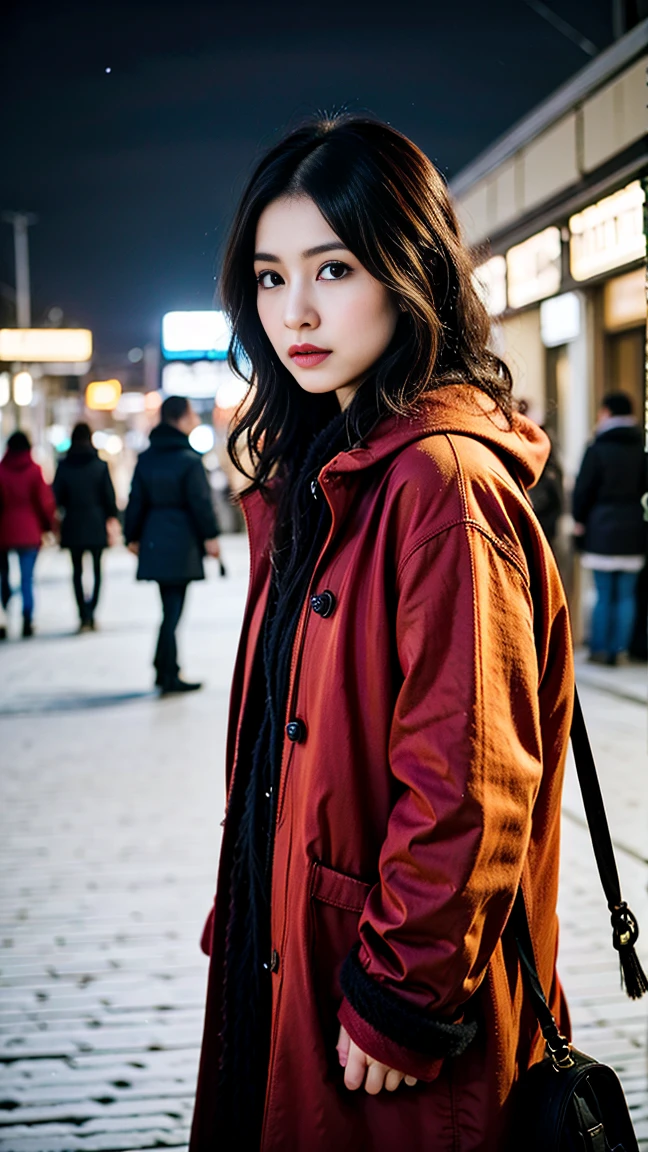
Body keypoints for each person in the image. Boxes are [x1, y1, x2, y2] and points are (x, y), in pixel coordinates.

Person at [190, 116, 573, 1152]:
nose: (295, 311)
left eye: (335, 267)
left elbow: (472, 774)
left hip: (382, 1009)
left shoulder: (436, 487)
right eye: (270, 277)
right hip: (296, 965)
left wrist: (404, 994)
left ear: (411, 272)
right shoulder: (327, 474)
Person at [124, 396, 221, 694]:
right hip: (181, 540)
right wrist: (211, 536)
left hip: (154, 536)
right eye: (191, 413)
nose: (194, 419)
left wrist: (132, 536)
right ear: (180, 418)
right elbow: (201, 503)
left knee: (168, 607)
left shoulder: (147, 458)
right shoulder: (190, 460)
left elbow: (135, 500)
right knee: (173, 610)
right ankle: (167, 673)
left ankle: (165, 668)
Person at [573, 391, 647, 666]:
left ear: (606, 412)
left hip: (601, 527)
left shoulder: (596, 448)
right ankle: (620, 650)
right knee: (626, 594)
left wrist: (579, 521)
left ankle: (600, 649)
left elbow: (583, 491)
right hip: (632, 526)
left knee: (604, 592)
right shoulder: (639, 449)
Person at [53, 422, 120, 632]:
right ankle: (92, 613)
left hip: (73, 522)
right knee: (98, 570)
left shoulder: (64, 465)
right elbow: (110, 497)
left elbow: (56, 497)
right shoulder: (99, 465)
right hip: (96, 521)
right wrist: (111, 517)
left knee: (77, 571)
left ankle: (82, 614)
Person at [0, 430, 56, 638]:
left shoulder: (1, 471)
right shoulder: (34, 470)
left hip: (4, 531)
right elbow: (44, 502)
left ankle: (3, 616)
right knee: (27, 578)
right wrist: (49, 527)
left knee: (3, 577)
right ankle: (27, 617)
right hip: (29, 531)